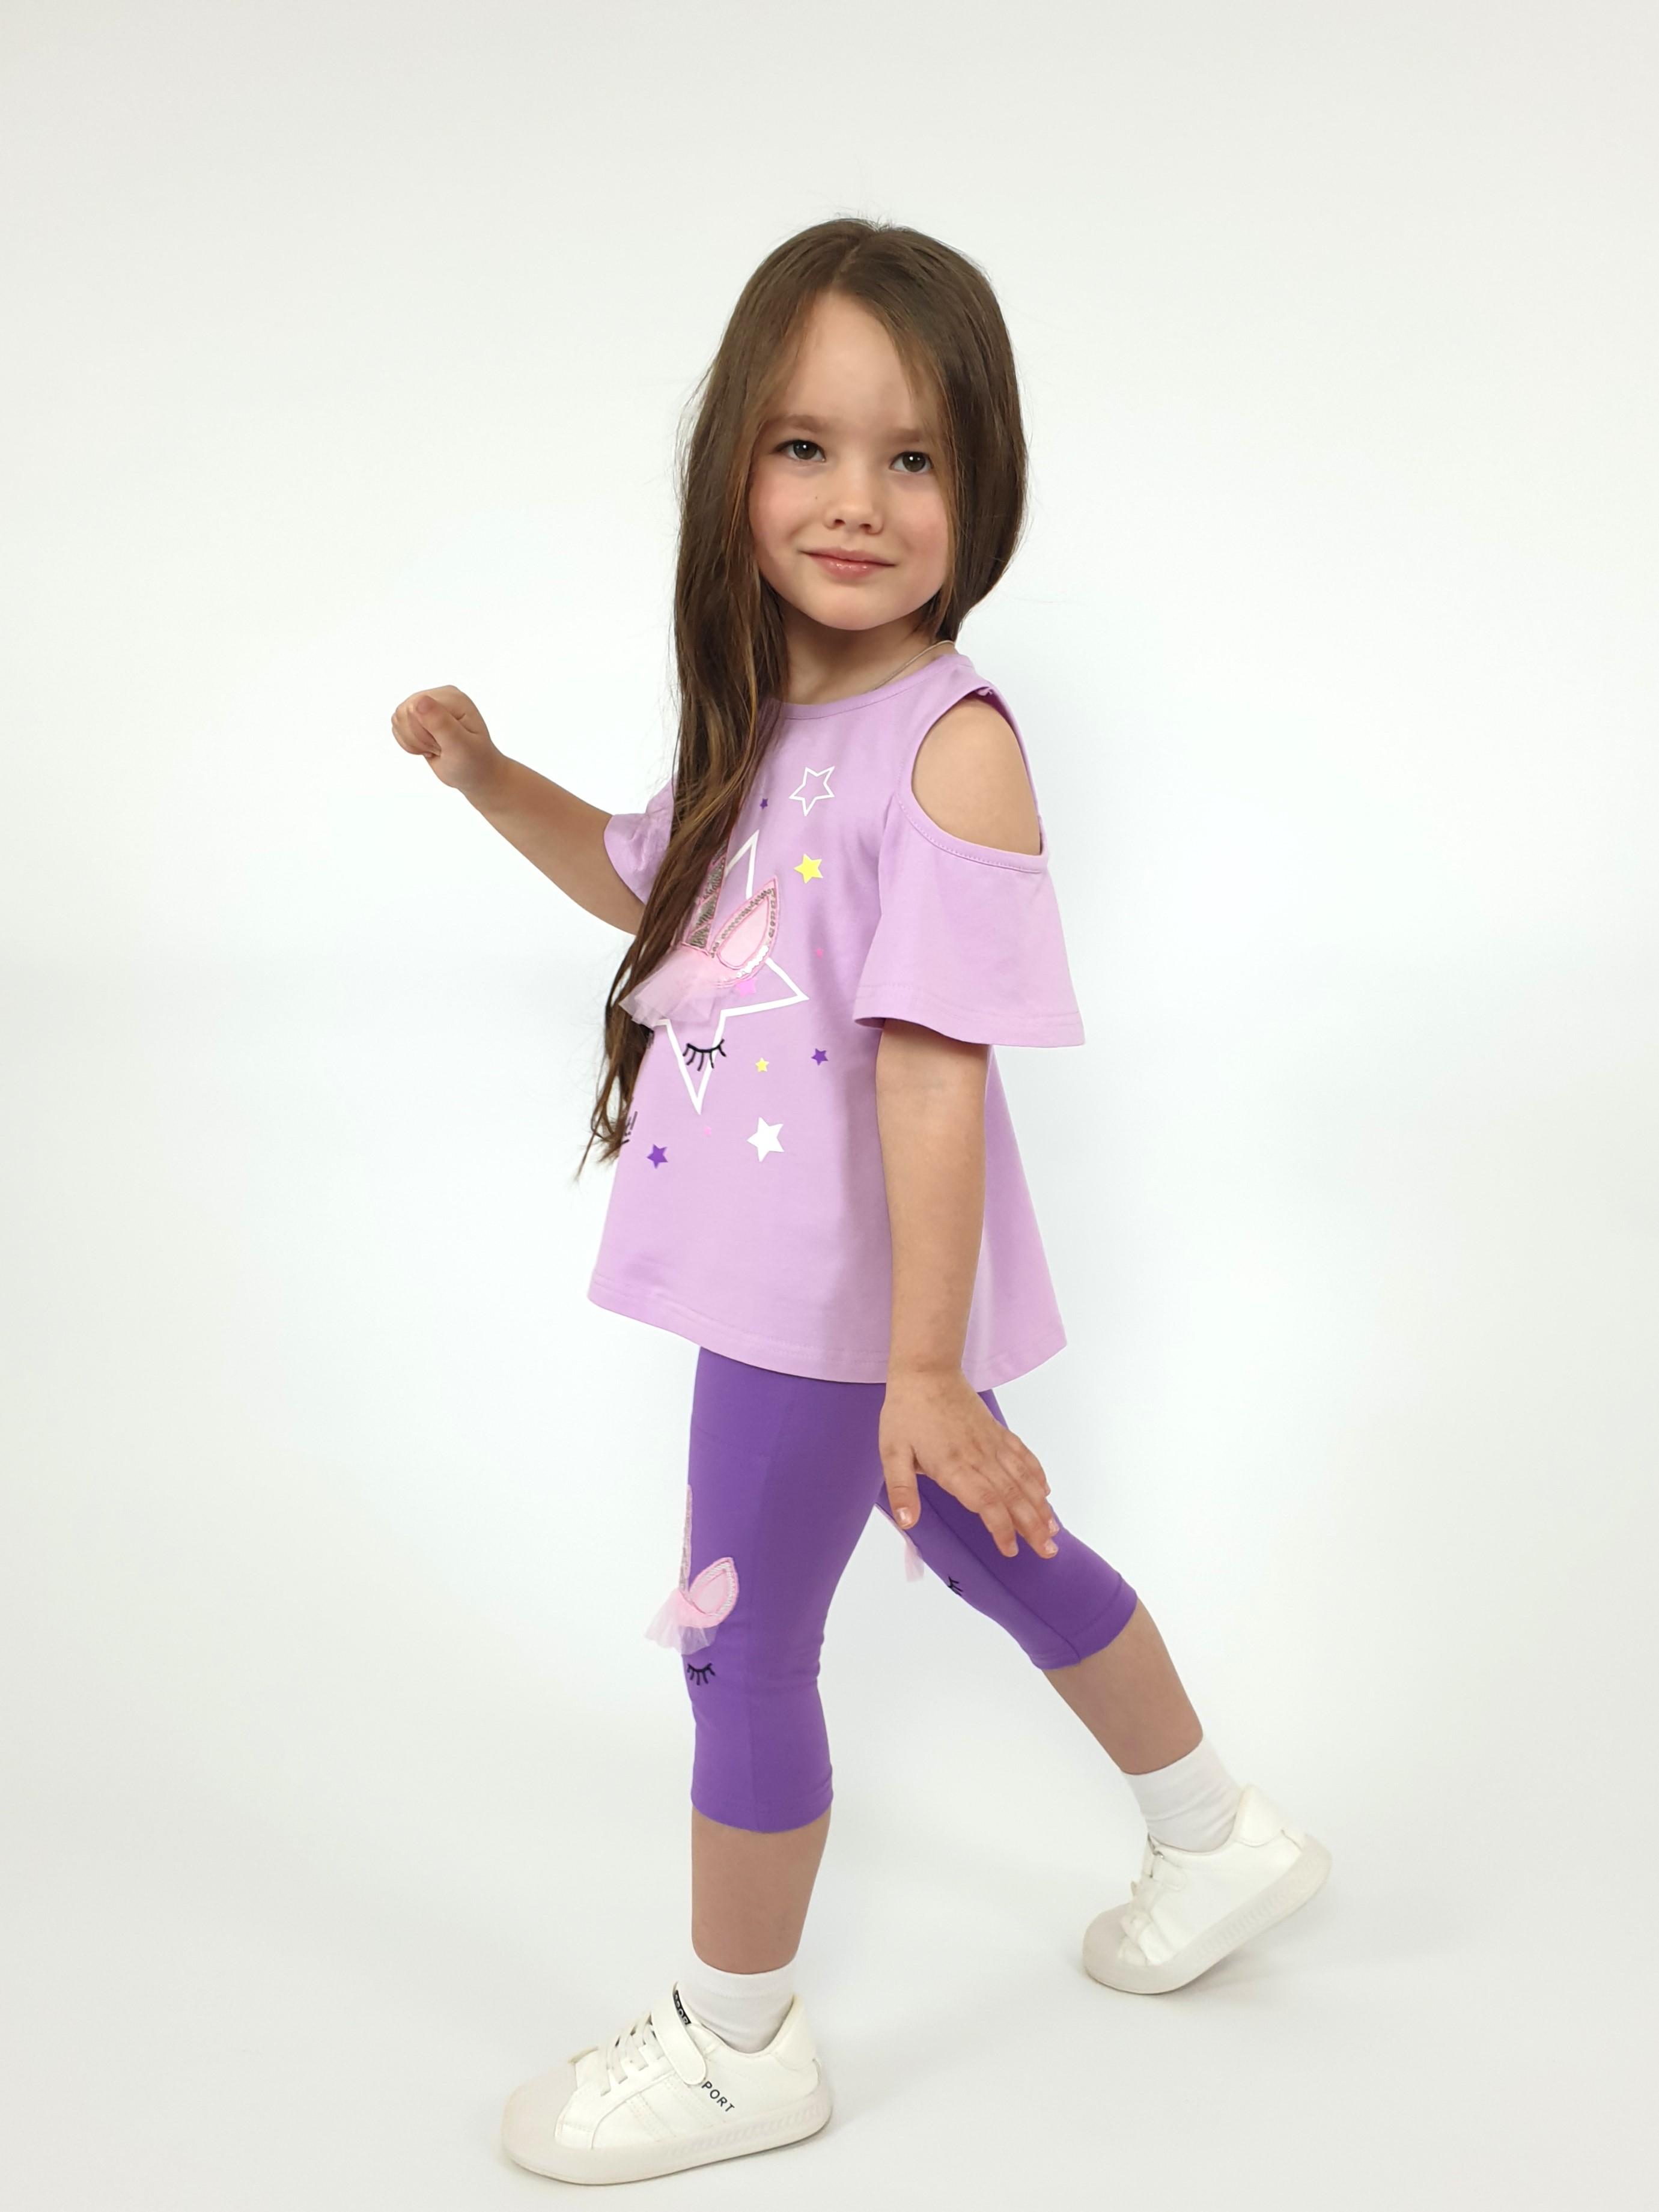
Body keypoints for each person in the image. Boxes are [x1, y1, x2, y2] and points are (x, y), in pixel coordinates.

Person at [390, 216, 1329, 2188]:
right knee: (989, 1538)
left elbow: (932, 1071)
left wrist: (921, 1366)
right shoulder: (764, 729)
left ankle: (737, 2040)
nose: (855, 500)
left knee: (738, 1639)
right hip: (823, 1297)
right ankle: (1212, 1831)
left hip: (839, 1303)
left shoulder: (949, 749)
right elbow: (643, 878)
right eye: (805, 447)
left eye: (912, 458)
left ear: (981, 487)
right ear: (730, 464)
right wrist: (487, 778)